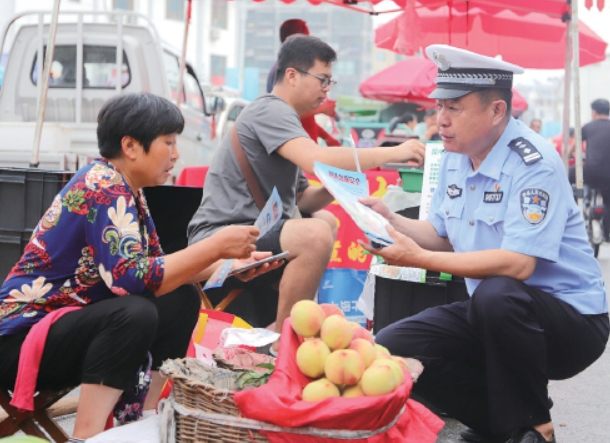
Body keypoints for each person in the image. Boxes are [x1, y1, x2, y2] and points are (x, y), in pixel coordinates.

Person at [359, 45, 608, 443]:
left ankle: (535, 426)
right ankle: (498, 426)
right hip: (493, 312)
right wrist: (391, 222)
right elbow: (441, 235)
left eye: (454, 108)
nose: (440, 120)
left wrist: (416, 256)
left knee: (497, 294)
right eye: (439, 107)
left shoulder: (534, 162)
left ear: (496, 111)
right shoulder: (455, 157)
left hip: (570, 323)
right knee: (390, 348)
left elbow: (518, 266)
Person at [0, 93, 282, 441]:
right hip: (20, 342)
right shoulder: (102, 186)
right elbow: (133, 279)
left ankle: (142, 420)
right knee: (134, 311)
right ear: (131, 146)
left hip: (67, 329)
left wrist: (228, 264)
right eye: (168, 142)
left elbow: (161, 271)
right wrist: (214, 245)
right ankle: (88, 436)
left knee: (181, 298)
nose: (176, 154)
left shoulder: (127, 188)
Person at [187, 34, 425, 354]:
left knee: (325, 220)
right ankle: (285, 346)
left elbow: (301, 199)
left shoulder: (288, 120)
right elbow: (318, 159)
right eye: (323, 79)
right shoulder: (270, 110)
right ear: (292, 75)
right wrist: (391, 152)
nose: (327, 89)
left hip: (251, 232)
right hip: (219, 240)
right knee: (314, 233)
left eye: (331, 81)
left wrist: (336, 187)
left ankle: (281, 328)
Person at [580, 98, 610, 241]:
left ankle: (577, 207)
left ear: (593, 112)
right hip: (608, 175)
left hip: (590, 171)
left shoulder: (587, 127)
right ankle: (607, 234)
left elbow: (574, 146)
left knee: (567, 175)